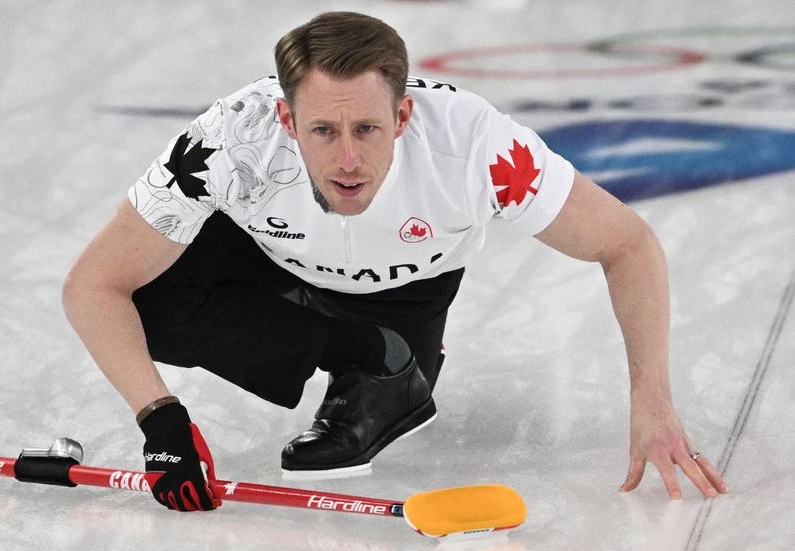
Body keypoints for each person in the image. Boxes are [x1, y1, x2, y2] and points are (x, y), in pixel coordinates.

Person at [61, 11, 728, 512]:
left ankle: (388, 357)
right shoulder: (232, 141)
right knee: (149, 301)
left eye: (367, 129)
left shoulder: (478, 149)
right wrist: (161, 417)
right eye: (323, 129)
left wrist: (653, 398)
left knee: (396, 383)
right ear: (287, 121)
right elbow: (95, 285)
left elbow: (627, 243)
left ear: (405, 114)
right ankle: (346, 343)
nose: (347, 159)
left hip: (405, 290)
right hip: (270, 264)